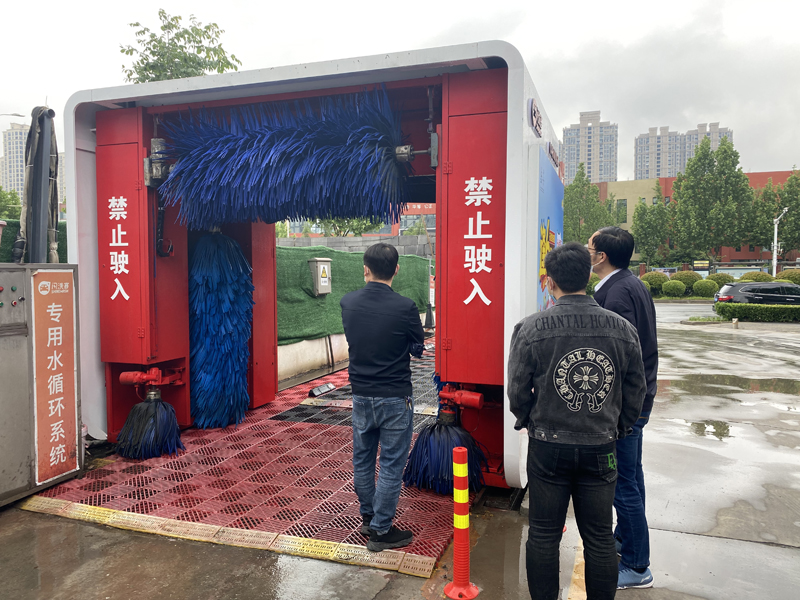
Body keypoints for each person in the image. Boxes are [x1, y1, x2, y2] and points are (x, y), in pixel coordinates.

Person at [508, 242, 646, 600]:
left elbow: (517, 390)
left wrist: (528, 421)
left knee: (542, 535)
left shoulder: (531, 328)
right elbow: (636, 390)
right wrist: (618, 428)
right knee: (600, 537)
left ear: (549, 282)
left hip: (547, 447)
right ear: (587, 276)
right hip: (602, 446)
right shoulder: (622, 329)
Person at [340, 242, 424, 552]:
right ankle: (381, 531)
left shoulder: (347, 303)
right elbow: (417, 347)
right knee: (390, 463)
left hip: (361, 395)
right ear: (397, 270)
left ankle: (368, 517)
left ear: (365, 269)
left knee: (362, 459)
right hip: (395, 396)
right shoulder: (405, 307)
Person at [588, 227, 657, 590]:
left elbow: (617, 358)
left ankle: (636, 564)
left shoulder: (616, 296)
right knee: (633, 476)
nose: (587, 252)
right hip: (639, 399)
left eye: (590, 248)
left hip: (624, 406)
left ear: (602, 257)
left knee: (622, 484)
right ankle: (625, 539)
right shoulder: (630, 284)